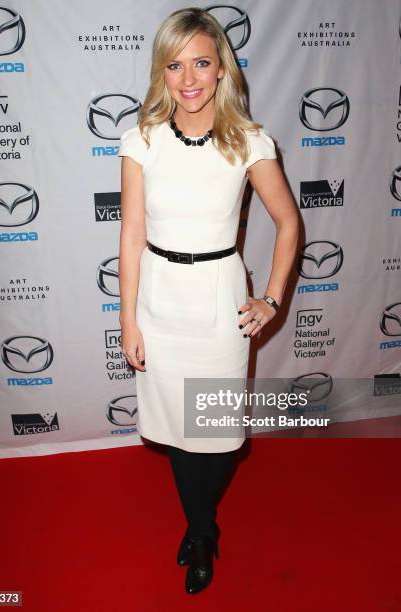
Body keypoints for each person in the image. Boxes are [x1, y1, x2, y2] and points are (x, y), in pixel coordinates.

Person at [118, 7, 299, 595]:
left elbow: (288, 222)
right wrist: (127, 319)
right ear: (161, 72)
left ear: (222, 68)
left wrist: (271, 299)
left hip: (221, 298)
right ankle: (201, 532)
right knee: (175, 428)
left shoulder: (249, 140)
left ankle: (199, 526)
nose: (189, 78)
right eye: (175, 65)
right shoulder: (140, 139)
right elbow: (129, 235)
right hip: (159, 301)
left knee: (218, 435)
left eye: (201, 62)